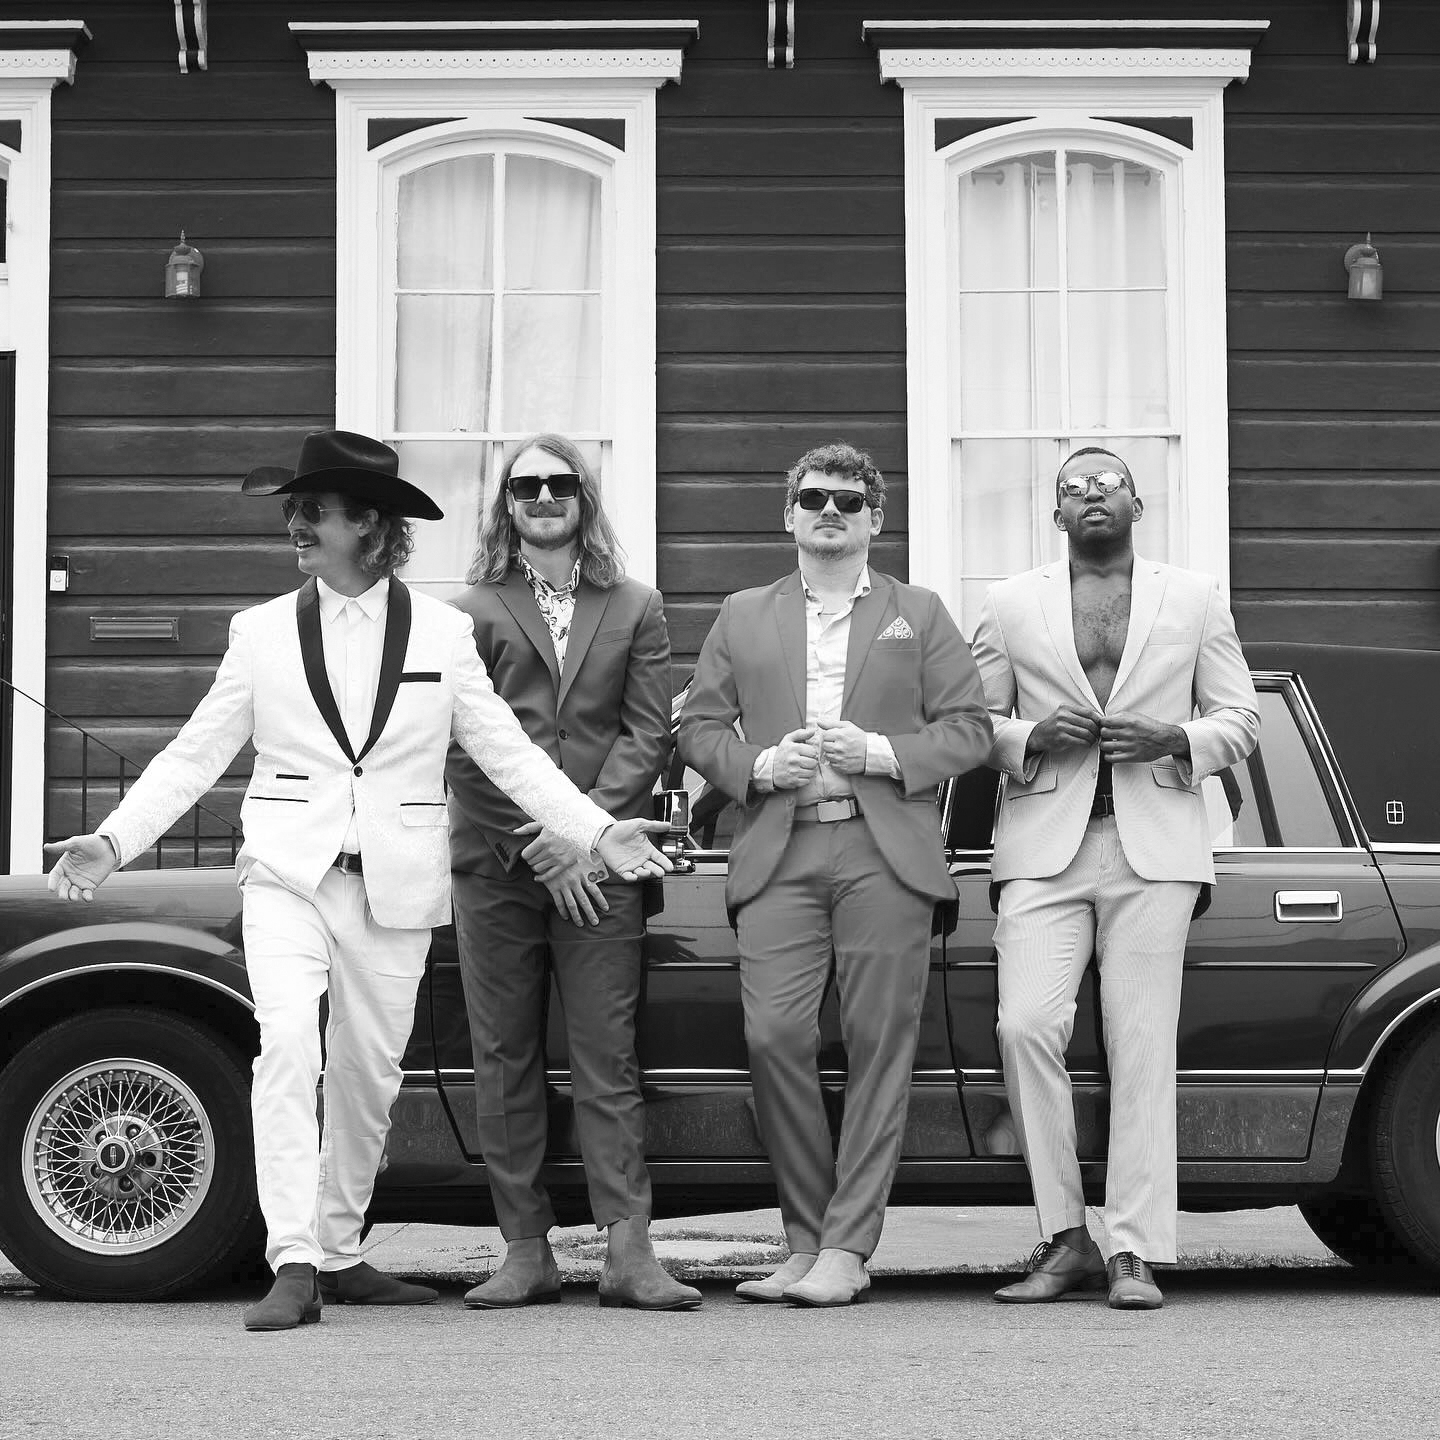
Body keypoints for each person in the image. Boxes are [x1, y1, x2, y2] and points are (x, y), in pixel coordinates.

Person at [44, 430, 673, 1332]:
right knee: (288, 1050)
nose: (296, 527)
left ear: (371, 527)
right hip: (287, 873)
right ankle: (293, 1260)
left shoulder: (445, 633)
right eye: (295, 512)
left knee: (369, 1076)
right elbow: (195, 752)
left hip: (395, 881)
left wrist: (600, 832)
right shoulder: (260, 632)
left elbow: (508, 756)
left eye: (315, 512)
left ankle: (339, 1251)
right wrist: (114, 840)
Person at [678, 442, 992, 1307]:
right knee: (774, 1038)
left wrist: (882, 751)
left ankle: (848, 1249)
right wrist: (757, 765)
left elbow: (970, 729)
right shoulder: (743, 612)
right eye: (813, 498)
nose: (829, 512)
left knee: (879, 1046)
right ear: (789, 515)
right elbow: (698, 728)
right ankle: (805, 1241)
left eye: (848, 502)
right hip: (780, 849)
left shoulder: (918, 612)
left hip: (881, 850)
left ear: (874, 519)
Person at [970, 445, 1259, 1311]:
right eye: (1073, 488)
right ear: (1055, 513)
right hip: (1043, 846)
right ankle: (1063, 1236)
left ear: (1138, 502)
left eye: (1107, 484)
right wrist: (1027, 737)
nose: (1091, 495)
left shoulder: (1195, 596)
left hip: (1156, 844)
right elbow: (967, 721)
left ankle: (1133, 1249)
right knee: (1025, 1025)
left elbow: (1240, 717)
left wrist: (1177, 738)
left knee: (1141, 1046)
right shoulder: (1009, 602)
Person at [446, 434, 700, 1312]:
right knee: (503, 1054)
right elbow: (460, 744)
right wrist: (538, 841)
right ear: (507, 506)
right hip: (497, 865)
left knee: (607, 1055)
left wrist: (583, 837)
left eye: (560, 484)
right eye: (527, 487)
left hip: (600, 864)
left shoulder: (636, 605)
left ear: (583, 498)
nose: (544, 497)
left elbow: (647, 733)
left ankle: (629, 1252)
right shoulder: (467, 612)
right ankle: (526, 1251)